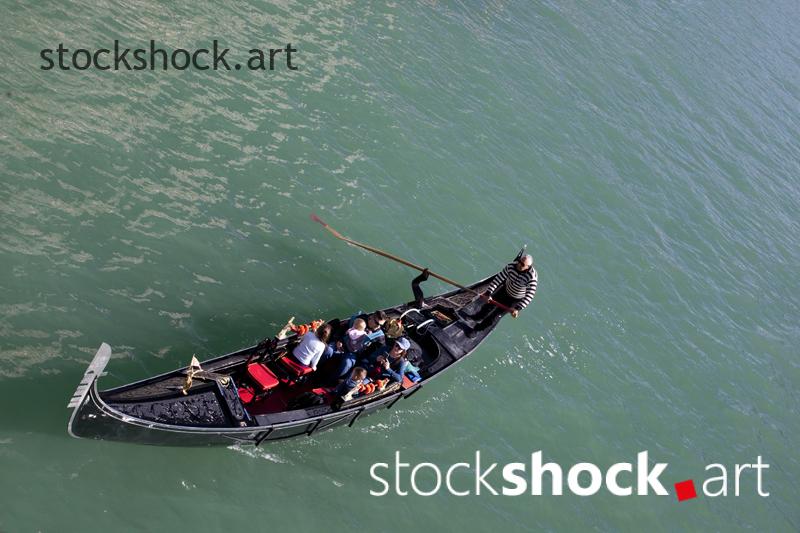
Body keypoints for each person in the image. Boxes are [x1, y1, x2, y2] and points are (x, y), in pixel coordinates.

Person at [467, 254, 538, 336]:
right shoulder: (511, 266)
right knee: (488, 306)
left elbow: (530, 295)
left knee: (494, 317)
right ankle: (477, 317)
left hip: (515, 299)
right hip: (505, 290)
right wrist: (488, 293)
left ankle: (477, 329)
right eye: (519, 261)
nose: (519, 265)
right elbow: (498, 279)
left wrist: (517, 308)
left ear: (528, 267)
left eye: (522, 264)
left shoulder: (532, 277)